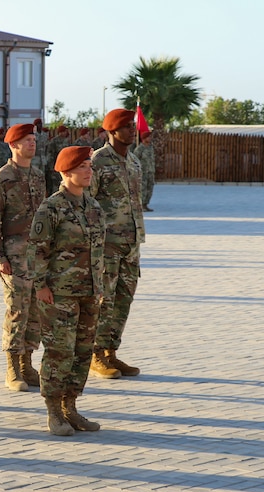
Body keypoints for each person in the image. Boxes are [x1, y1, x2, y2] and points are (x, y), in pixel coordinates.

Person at [30, 146, 105, 436]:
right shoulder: (51, 208)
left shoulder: (94, 207)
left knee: (82, 351)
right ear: (66, 172)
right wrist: (41, 286)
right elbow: (37, 250)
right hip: (58, 293)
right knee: (59, 351)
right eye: (83, 166)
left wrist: (100, 287)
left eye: (90, 165)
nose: (89, 171)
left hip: (88, 292)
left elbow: (99, 252)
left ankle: (70, 408)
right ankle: (53, 410)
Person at [0, 123, 44, 392]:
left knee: (36, 313)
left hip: (37, 257)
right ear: (13, 145)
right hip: (14, 256)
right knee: (17, 311)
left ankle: (28, 362)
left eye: (33, 139)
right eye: (27, 140)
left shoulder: (39, 176)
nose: (32, 143)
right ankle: (13, 368)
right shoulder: (1, 178)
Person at [88, 108, 145, 379]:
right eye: (126, 127)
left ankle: (111, 351)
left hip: (131, 244)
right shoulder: (97, 162)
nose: (132, 131)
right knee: (104, 301)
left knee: (124, 299)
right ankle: (96, 355)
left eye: (132, 126)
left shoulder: (133, 161)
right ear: (112, 131)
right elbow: (87, 204)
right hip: (107, 245)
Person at [45, 125, 70, 196]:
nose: (66, 133)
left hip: (65, 166)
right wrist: (52, 167)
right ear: (60, 132)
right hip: (56, 166)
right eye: (64, 131)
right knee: (55, 185)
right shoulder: (54, 141)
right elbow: (50, 155)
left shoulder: (67, 140)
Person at [134, 131, 156, 212]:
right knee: (143, 188)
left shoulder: (150, 147)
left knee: (150, 188)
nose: (150, 138)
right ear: (143, 138)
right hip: (143, 172)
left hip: (150, 172)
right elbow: (134, 161)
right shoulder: (139, 149)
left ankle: (146, 204)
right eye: (148, 137)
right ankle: (141, 204)